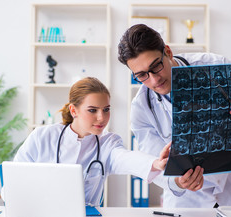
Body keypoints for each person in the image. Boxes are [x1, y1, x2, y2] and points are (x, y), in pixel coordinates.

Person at [117, 24, 231, 208]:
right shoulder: (142, 108)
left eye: (156, 66)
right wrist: (178, 182)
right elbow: (156, 165)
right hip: (188, 202)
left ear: (168, 52)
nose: (154, 80)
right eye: (141, 75)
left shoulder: (218, 68)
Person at [11, 77, 170, 206]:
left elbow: (125, 158)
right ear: (74, 111)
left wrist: (154, 163)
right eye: (92, 110)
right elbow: (14, 179)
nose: (102, 118)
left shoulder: (108, 142)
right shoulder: (42, 137)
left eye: (106, 109)